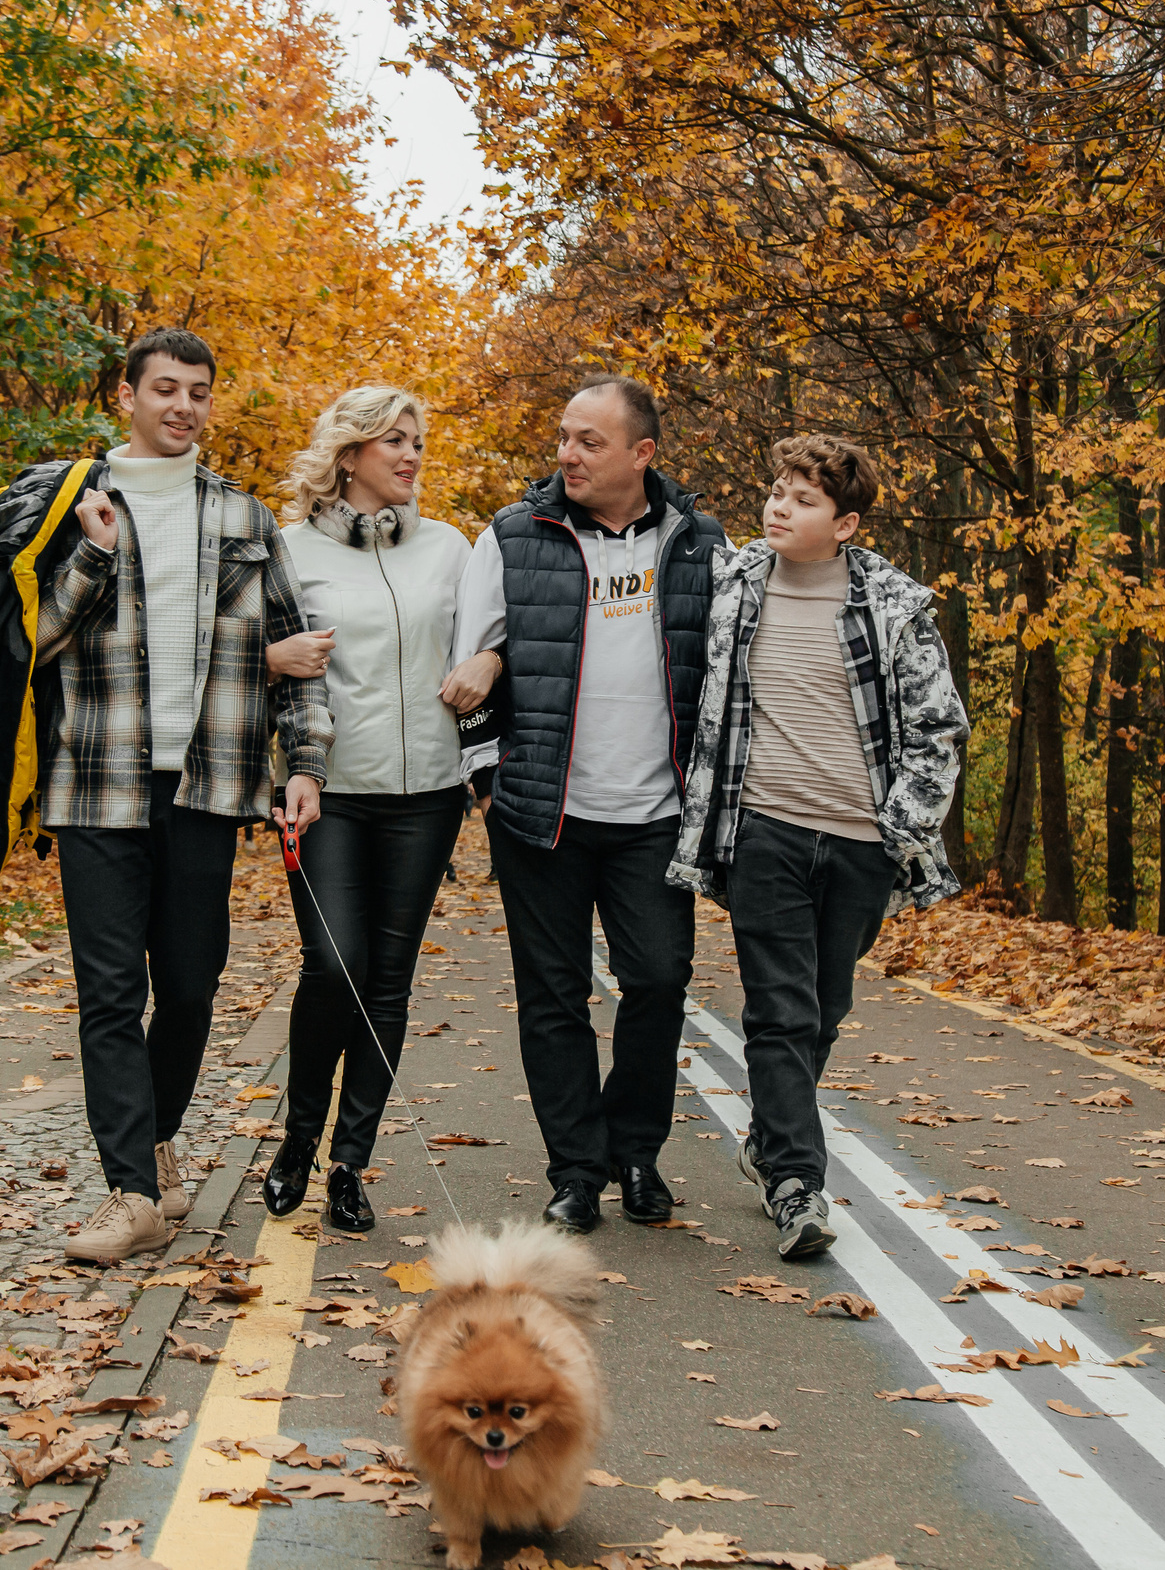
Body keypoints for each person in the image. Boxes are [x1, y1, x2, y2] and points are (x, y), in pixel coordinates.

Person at [36, 327, 333, 1264]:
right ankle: (131, 1192)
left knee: (192, 985)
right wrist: (91, 554)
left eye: (198, 391)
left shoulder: (244, 516)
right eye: (165, 388)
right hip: (96, 783)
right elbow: (33, 639)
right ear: (127, 395)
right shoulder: (70, 504)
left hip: (208, 785)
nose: (183, 406)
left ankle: (155, 1137)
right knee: (109, 993)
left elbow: (300, 655)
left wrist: (305, 762)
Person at [439, 375, 729, 1235]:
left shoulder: (699, 542)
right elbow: (471, 661)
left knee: (659, 980)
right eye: (565, 437)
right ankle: (574, 1170)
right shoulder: (511, 535)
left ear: (642, 453)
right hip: (541, 814)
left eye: (589, 441)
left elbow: (727, 670)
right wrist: (488, 783)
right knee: (553, 996)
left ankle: (634, 1152)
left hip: (655, 816)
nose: (567, 454)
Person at [668, 437, 967, 1259]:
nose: (779, 507)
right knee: (780, 1012)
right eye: (777, 491)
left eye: (803, 500)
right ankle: (798, 1184)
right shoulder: (732, 585)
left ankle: (771, 1139)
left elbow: (939, 727)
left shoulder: (894, 606)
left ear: (846, 524)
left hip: (863, 844)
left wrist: (900, 829)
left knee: (824, 1008)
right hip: (763, 830)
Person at [258, 386, 472, 1234]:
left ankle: (350, 1162)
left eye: (417, 440)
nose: (412, 454)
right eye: (394, 441)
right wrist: (268, 659)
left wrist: (488, 662)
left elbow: (489, 638)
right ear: (349, 456)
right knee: (332, 962)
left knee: (388, 982)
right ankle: (298, 1138)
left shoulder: (451, 548)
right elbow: (249, 658)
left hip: (430, 796)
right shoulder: (288, 549)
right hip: (328, 792)